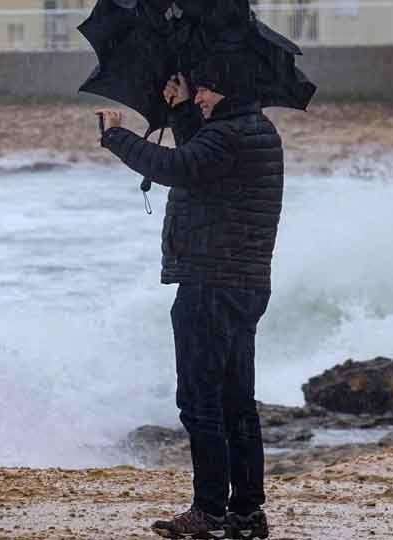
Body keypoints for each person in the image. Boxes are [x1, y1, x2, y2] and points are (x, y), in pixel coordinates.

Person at [95, 52, 283, 540]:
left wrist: (116, 135)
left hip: (210, 283)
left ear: (230, 91)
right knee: (236, 402)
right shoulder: (254, 131)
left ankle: (209, 511)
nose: (198, 95)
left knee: (200, 401)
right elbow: (200, 157)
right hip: (243, 283)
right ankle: (245, 513)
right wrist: (180, 110)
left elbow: (177, 166)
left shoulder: (230, 136)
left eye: (205, 90)